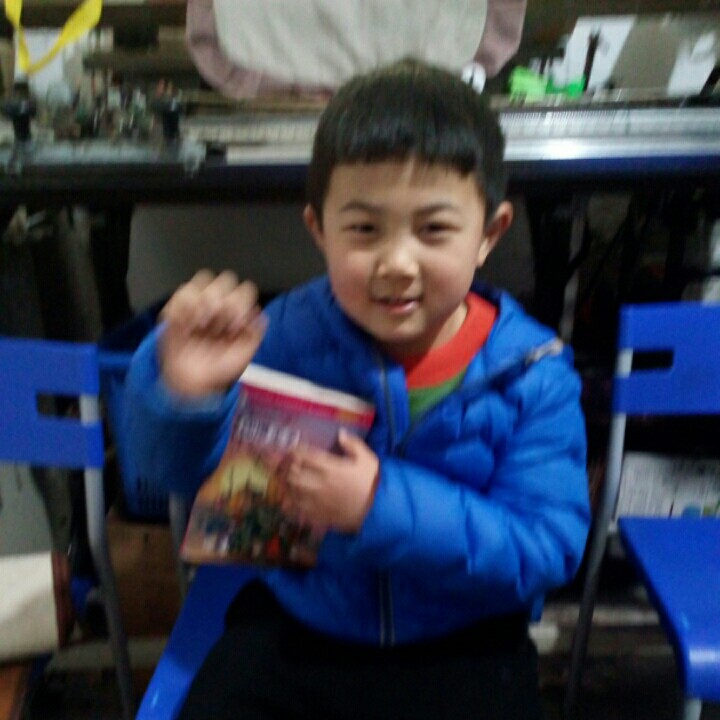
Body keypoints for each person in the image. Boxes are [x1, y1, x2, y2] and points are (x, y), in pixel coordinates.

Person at [125, 58, 590, 720]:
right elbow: (181, 477)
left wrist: (378, 506)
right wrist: (184, 395)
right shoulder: (284, 336)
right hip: (304, 621)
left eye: (433, 229)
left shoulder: (532, 372)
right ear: (319, 229)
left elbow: (546, 547)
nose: (396, 264)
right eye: (365, 229)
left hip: (464, 636)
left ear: (489, 234)